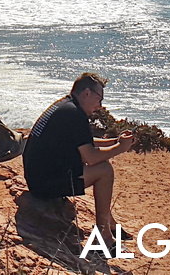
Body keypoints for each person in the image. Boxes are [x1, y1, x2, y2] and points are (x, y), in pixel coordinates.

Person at [21, 73, 135, 240]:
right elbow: (91, 157)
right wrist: (120, 148)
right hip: (44, 184)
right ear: (87, 93)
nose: (100, 106)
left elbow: (84, 142)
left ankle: (110, 224)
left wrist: (115, 141)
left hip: (38, 177)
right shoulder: (74, 115)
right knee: (103, 170)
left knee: (102, 165)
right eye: (99, 99)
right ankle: (103, 236)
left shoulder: (66, 106)